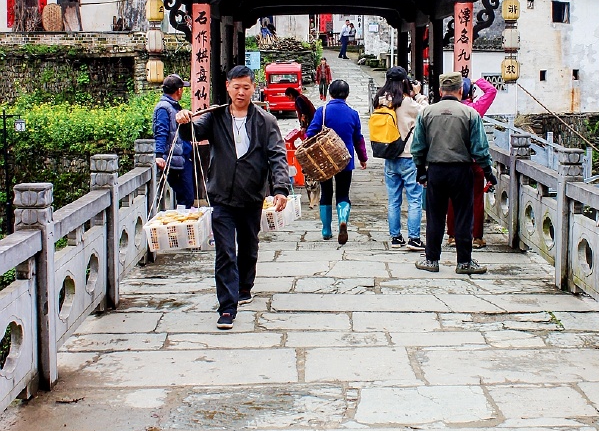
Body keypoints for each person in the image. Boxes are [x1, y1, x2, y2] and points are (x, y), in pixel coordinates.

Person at [176, 65, 290, 331]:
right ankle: (227, 307)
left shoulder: (265, 121)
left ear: (253, 88)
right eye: (236, 86)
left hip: (251, 196)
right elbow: (193, 134)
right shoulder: (214, 118)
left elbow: (277, 155)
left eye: (246, 87)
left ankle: (244, 285)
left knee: (248, 246)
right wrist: (183, 121)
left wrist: (280, 188)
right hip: (222, 197)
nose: (241, 92)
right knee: (225, 250)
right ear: (227, 86)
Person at [411, 72, 497, 275]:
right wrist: (488, 172)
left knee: (435, 216)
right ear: (460, 90)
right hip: (461, 170)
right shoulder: (470, 114)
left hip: (436, 170)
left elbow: (418, 146)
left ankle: (431, 259)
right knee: (463, 216)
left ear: (441, 91)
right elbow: (480, 149)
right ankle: (464, 261)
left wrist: (421, 171)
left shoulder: (427, 113)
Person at [305, 78, 367, 244]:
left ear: (330, 93)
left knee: (326, 193)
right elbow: (358, 139)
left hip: (325, 161)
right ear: (347, 95)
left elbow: (310, 134)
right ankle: (343, 221)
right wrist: (363, 158)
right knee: (343, 194)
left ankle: (326, 230)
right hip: (345, 160)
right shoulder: (353, 114)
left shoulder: (322, 111)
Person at [373, 67, 424, 251]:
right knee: (414, 199)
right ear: (404, 81)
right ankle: (414, 238)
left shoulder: (380, 100)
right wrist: (418, 95)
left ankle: (395, 237)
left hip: (389, 155)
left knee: (393, 200)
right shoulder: (407, 102)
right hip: (408, 156)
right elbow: (426, 113)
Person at [446, 76, 498, 250]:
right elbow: (491, 91)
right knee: (476, 198)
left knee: (453, 198)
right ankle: (476, 237)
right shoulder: (475, 109)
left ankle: (452, 235)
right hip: (474, 162)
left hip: (453, 160)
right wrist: (478, 80)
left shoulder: (448, 109)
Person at [153, 74, 194, 208]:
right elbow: (161, 132)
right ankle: (182, 226)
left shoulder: (174, 106)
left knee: (187, 197)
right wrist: (159, 155)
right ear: (179, 90)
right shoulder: (164, 108)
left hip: (182, 158)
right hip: (175, 162)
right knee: (186, 197)